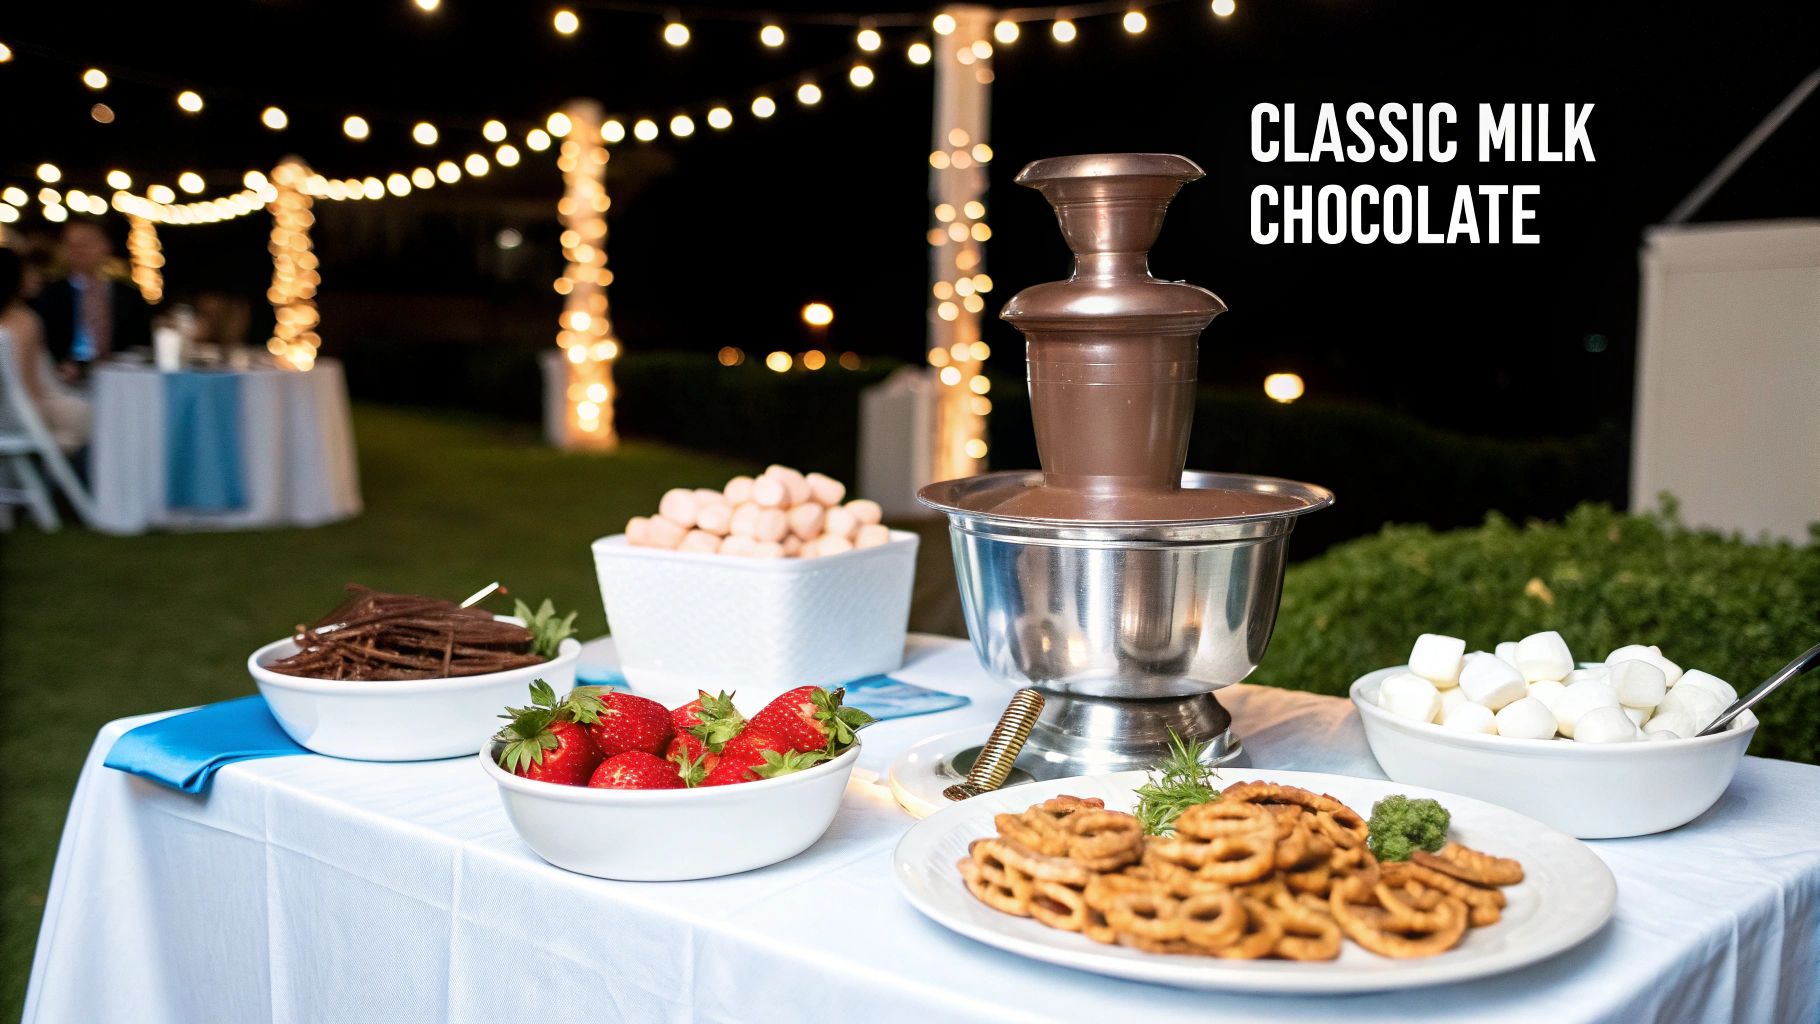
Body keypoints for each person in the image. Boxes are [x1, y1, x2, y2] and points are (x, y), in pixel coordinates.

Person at [31, 220, 153, 376]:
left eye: (86, 243)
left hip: (121, 377)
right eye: (71, 244)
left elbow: (142, 344)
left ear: (106, 246)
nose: (78, 250)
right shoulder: (47, 294)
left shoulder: (129, 296)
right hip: (62, 379)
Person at [0, 247, 92, 451]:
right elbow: (27, 388)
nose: (36, 276)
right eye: (28, 271)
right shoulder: (25, 321)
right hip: (20, 416)